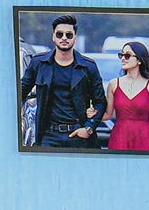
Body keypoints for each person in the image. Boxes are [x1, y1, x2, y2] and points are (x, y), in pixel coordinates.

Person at [21, 16, 105, 149]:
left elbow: (100, 102)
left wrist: (88, 128)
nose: (64, 38)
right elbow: (20, 92)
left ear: (75, 38)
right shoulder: (39, 63)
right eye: (59, 34)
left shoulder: (88, 66)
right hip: (48, 135)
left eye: (69, 35)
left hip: (78, 133)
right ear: (53, 37)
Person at [103, 40, 149, 153]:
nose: (123, 58)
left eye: (127, 55)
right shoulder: (113, 84)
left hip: (144, 138)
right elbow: (108, 114)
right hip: (119, 137)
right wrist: (90, 113)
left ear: (139, 60)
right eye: (121, 55)